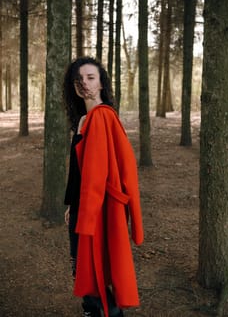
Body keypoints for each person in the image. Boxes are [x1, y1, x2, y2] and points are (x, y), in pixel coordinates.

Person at [63, 56, 144, 317]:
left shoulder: (101, 117)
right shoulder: (84, 120)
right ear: (73, 86)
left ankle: (103, 312)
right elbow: (79, 171)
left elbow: (100, 175)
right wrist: (70, 205)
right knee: (84, 268)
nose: (84, 84)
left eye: (90, 77)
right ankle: (94, 310)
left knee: (90, 270)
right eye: (79, 79)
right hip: (81, 206)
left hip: (94, 211)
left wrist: (85, 219)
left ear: (100, 83)